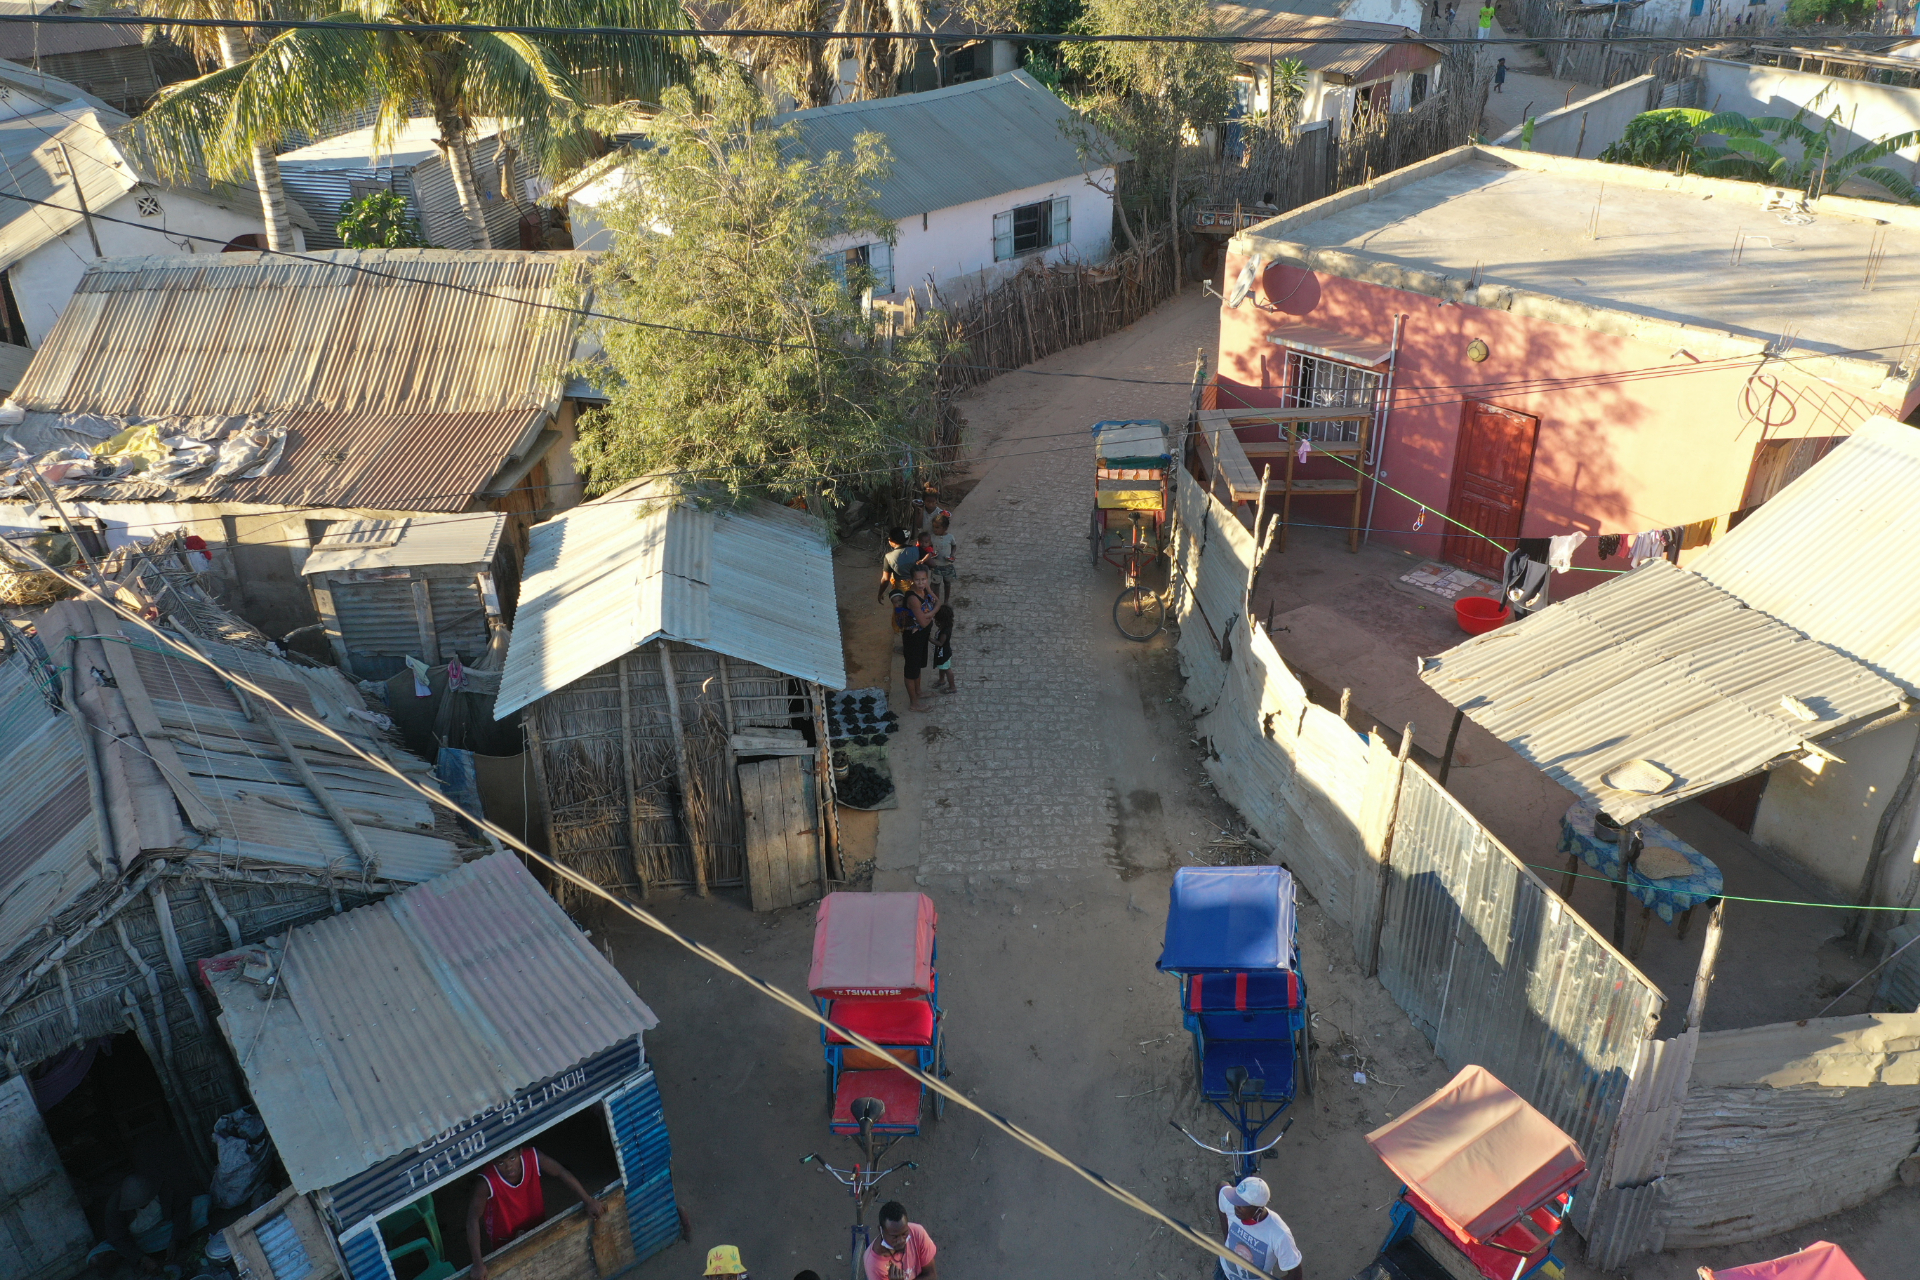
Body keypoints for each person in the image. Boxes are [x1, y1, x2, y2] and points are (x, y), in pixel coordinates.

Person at [465, 1145, 603, 1280]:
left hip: (536, 1222)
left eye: (512, 1159)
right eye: (501, 1163)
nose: (508, 1167)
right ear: (492, 1162)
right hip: (505, 1237)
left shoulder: (533, 1157)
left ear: (520, 1152)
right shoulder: (486, 1182)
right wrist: (477, 1263)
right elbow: (472, 1219)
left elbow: (561, 1172)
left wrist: (588, 1200)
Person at [88, 1159, 208, 1276]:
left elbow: (181, 1208)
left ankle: (163, 1245)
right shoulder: (114, 1206)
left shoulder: (160, 1186)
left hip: (165, 1227)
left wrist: (175, 1239)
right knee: (101, 1254)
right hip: (138, 1238)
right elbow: (118, 1238)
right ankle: (142, 1254)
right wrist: (143, 1259)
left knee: (203, 1203)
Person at [1214, 1176, 1301, 1280]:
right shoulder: (1233, 1206)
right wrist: (1226, 1235)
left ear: (1258, 1211)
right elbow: (1221, 1187)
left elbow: (1295, 1275)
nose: (1236, 1206)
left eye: (1242, 1204)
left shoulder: (1279, 1234)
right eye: (1235, 1198)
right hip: (1224, 1274)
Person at [893, 564, 938, 713]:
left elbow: (938, 602)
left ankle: (918, 692)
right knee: (911, 671)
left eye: (923, 579)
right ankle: (914, 703)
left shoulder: (925, 589)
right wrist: (930, 615)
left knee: (917, 666)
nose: (921, 583)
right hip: (913, 639)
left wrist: (928, 614)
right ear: (912, 580)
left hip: (921, 636)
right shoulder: (913, 599)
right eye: (918, 580)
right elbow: (924, 623)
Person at [864, 1201, 937, 1280]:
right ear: (880, 1230)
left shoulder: (918, 1233)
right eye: (895, 1237)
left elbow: (931, 1275)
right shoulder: (873, 1264)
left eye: (904, 1234)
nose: (901, 1241)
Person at [877, 528, 922, 603]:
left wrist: (880, 593)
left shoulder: (889, 557)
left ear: (891, 541)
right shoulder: (917, 550)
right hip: (918, 586)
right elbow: (931, 563)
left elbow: (885, 579)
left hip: (901, 590)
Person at [925, 512, 957, 598]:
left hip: (947, 564)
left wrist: (952, 554)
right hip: (936, 565)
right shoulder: (932, 537)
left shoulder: (950, 537)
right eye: (934, 527)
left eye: (937, 528)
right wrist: (931, 553)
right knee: (936, 584)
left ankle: (946, 601)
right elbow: (929, 547)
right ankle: (937, 601)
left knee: (947, 583)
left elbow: (954, 546)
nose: (935, 530)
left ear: (945, 528)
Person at [931, 604, 955, 695]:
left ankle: (952, 687)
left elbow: (940, 643)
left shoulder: (945, 631)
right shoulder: (947, 625)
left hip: (944, 653)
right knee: (942, 667)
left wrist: (929, 639)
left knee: (947, 669)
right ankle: (941, 680)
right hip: (942, 653)